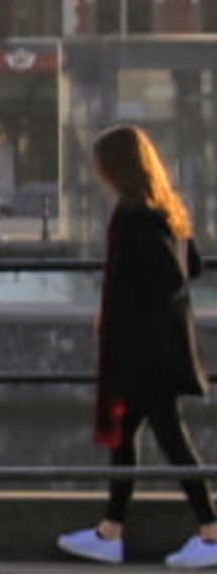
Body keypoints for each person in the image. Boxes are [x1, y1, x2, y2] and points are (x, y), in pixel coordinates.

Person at [59, 126, 217, 568]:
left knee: (161, 439)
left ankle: (207, 534)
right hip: (160, 349)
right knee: (137, 438)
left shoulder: (133, 216)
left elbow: (162, 277)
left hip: (142, 353)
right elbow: (192, 269)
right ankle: (113, 530)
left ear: (118, 167)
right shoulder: (166, 209)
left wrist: (122, 316)